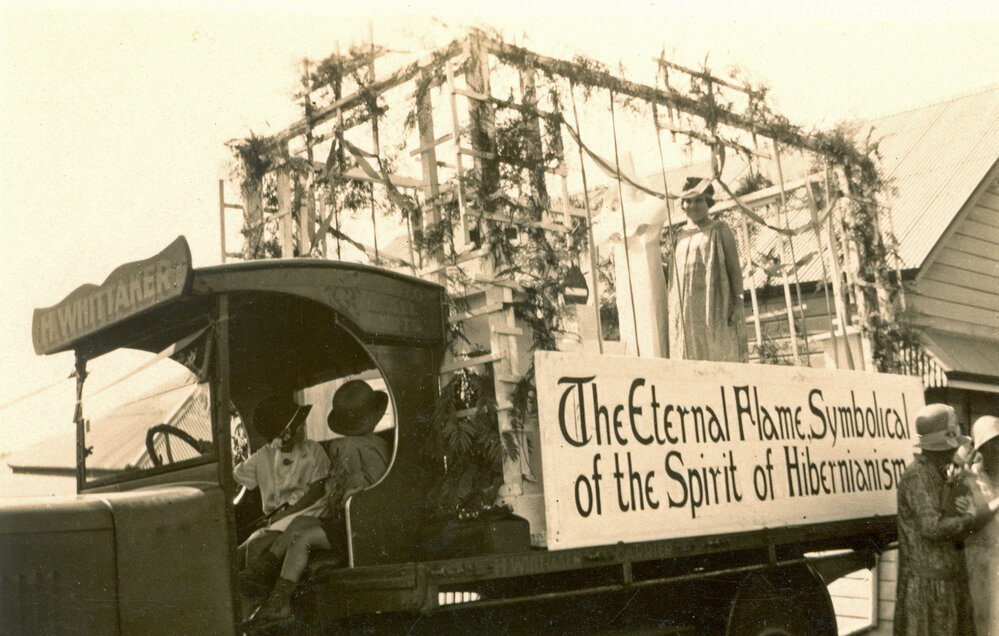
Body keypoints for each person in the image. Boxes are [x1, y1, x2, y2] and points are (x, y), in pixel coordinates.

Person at [242, 380, 391, 630]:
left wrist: (337, 493)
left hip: (358, 524)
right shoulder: (377, 444)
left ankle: (279, 602)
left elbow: (356, 491)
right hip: (358, 518)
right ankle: (263, 569)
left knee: (301, 538)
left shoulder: (348, 447)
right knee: (301, 522)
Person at [893, 403, 998, 635]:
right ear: (938, 447)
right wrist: (969, 517)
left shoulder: (940, 472)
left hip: (948, 583)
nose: (954, 452)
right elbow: (932, 526)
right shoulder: (917, 475)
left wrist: (969, 509)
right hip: (927, 590)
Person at [233, 395, 330, 566]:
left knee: (256, 545)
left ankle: (254, 581)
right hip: (276, 519)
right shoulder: (263, 456)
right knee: (236, 553)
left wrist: (284, 515)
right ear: (286, 434)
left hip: (307, 512)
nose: (303, 426)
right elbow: (236, 474)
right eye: (298, 425)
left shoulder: (313, 450)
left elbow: (316, 492)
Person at [666, 176, 748, 362]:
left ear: (708, 202)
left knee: (716, 353)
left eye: (699, 200)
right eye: (688, 201)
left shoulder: (720, 230)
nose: (693, 205)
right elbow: (672, 275)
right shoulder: (679, 236)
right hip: (686, 313)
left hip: (715, 308)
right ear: (682, 204)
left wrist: (739, 303)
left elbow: (734, 268)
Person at [964, 415, 999, 635]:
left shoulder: (992, 477)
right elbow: (971, 521)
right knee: (982, 619)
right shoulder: (971, 479)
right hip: (978, 560)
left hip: (995, 559)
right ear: (982, 447)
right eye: (994, 442)